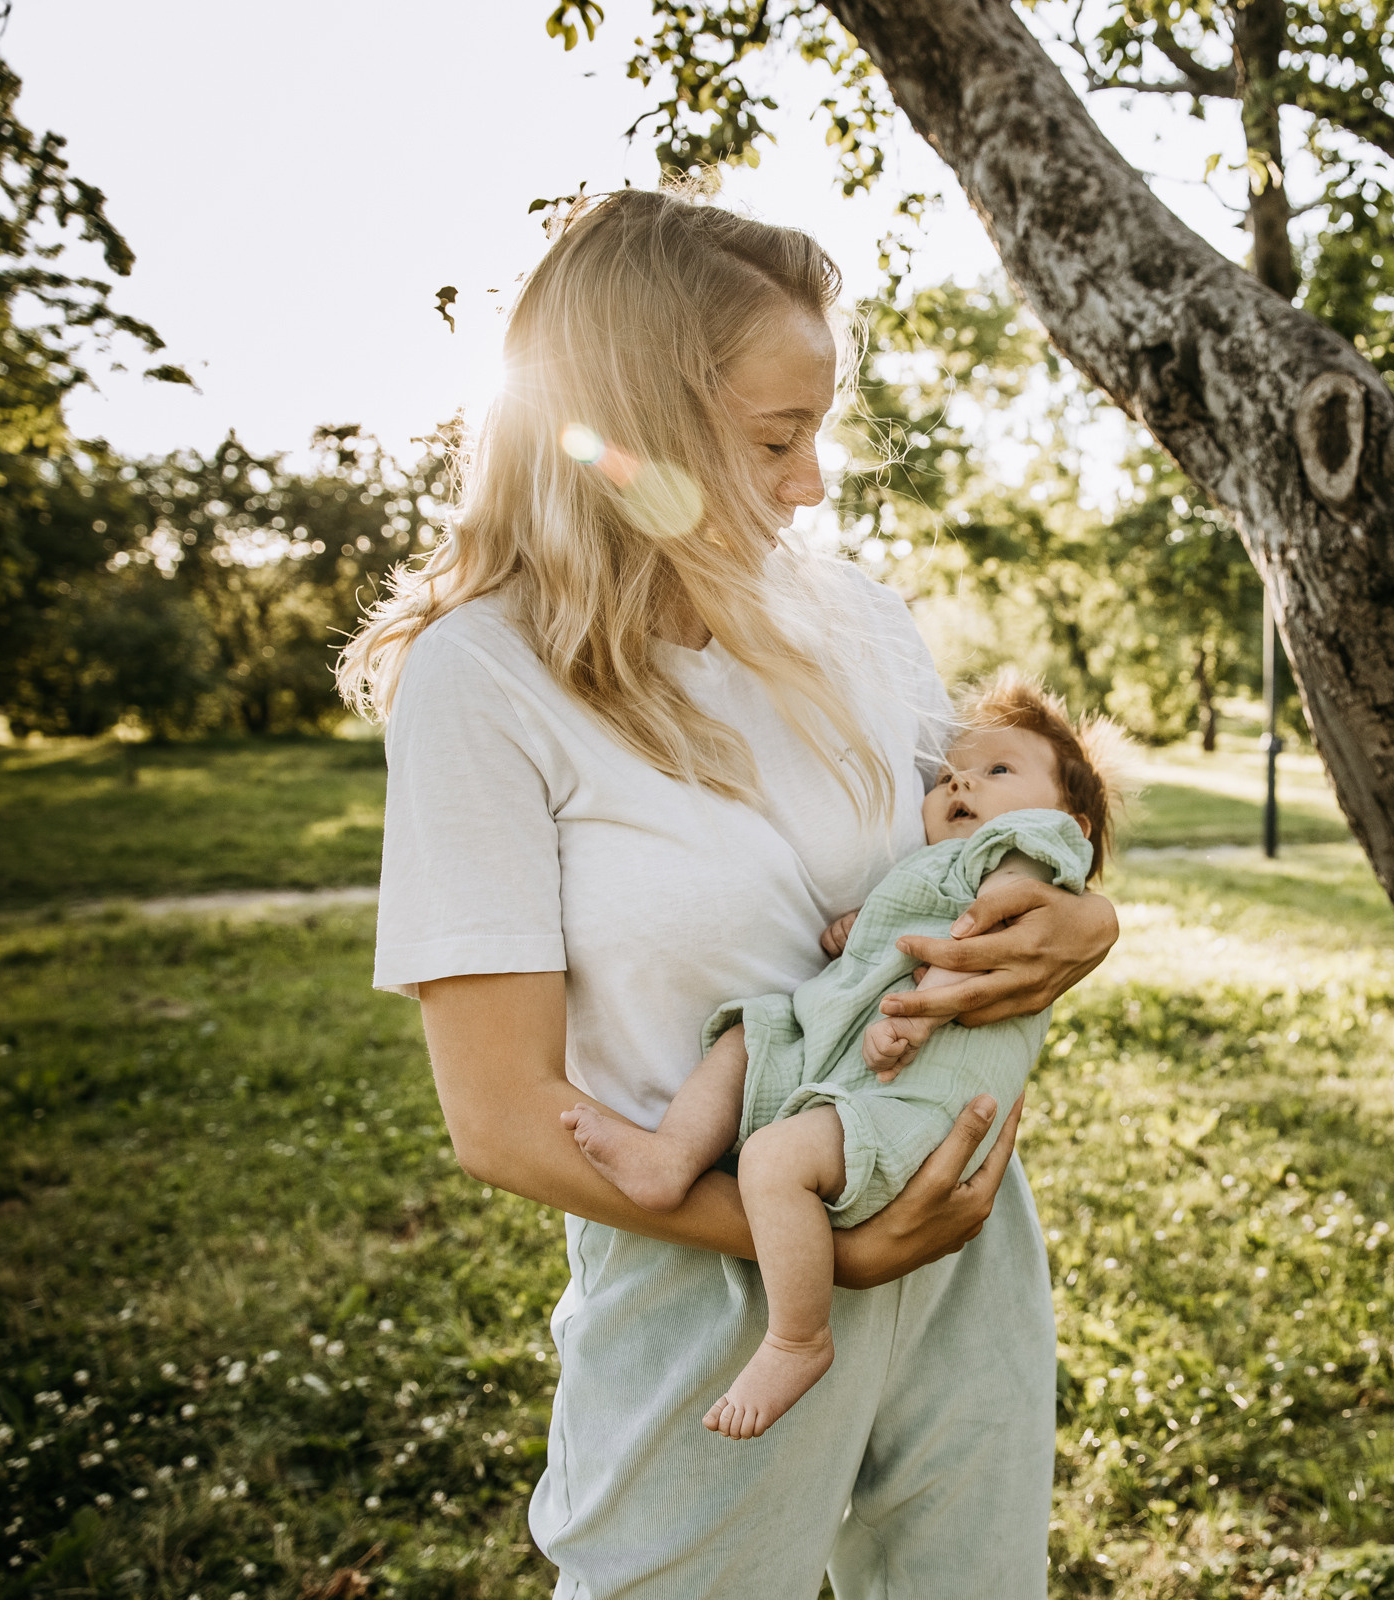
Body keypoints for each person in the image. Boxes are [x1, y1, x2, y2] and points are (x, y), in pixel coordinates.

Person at [338, 184, 1118, 1600]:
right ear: (631, 433)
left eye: (819, 428)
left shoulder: (853, 619)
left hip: (959, 1227)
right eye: (777, 437)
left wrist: (1086, 917)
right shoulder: (487, 681)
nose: (814, 480)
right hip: (708, 1282)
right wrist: (832, 1251)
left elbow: (981, 841)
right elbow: (504, 1121)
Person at [560, 677, 1123, 1439]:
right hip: (844, 1059)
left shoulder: (1026, 850)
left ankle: (798, 1337)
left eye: (998, 771)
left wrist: (922, 1017)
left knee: (771, 1160)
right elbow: (919, 915)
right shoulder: (943, 864)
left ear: (1070, 820)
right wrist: (860, 928)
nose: (961, 780)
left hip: (916, 1092)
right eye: (949, 773)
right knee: (745, 1036)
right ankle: (671, 1157)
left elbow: (983, 931)